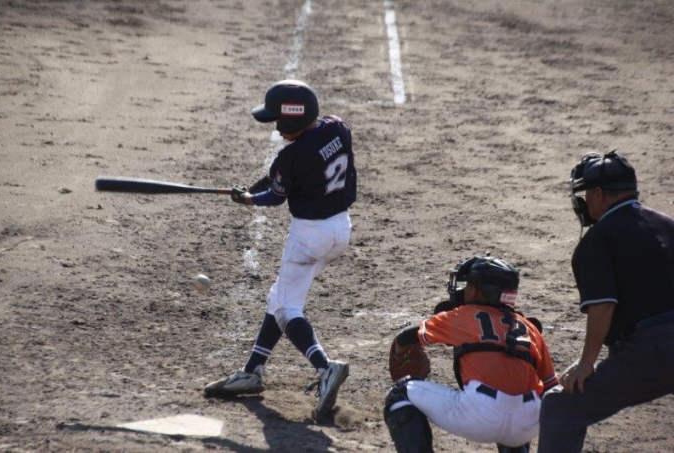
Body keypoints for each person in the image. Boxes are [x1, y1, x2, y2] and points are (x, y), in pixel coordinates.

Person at [203, 80, 357, 422]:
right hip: (340, 229)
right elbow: (281, 177)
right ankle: (253, 370)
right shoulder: (337, 128)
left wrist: (248, 199)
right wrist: (254, 187)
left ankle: (325, 368)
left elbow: (275, 195)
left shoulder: (291, 157)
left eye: (278, 121)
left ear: (291, 119)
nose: (275, 127)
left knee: (288, 308)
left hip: (309, 237)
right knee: (280, 296)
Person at [538, 151, 674, 452]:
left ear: (598, 193)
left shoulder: (598, 239)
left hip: (651, 351)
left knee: (561, 408)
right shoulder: (668, 224)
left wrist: (587, 362)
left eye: (587, 194)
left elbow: (603, 305)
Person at [384, 254, 559, 453]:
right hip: (527, 424)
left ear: (475, 291)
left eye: (467, 285)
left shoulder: (462, 316)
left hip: (480, 416)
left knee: (399, 394)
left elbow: (407, 335)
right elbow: (551, 387)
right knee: (518, 402)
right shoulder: (530, 328)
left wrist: (400, 350)